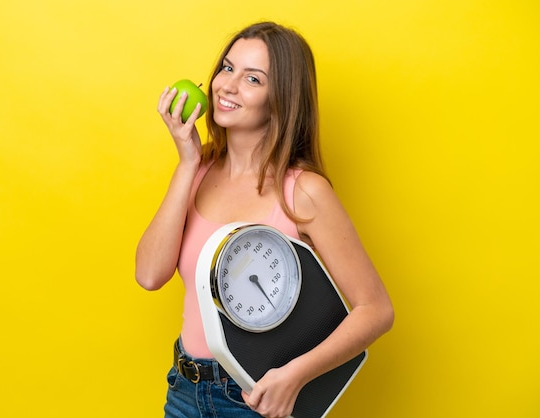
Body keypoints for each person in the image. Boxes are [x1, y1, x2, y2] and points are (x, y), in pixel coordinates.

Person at [135, 21, 394, 418]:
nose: (228, 85)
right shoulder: (200, 166)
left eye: (252, 78)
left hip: (256, 401)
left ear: (280, 99)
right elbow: (150, 275)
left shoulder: (302, 191)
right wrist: (186, 163)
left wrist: (295, 376)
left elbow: (375, 310)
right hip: (184, 391)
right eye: (227, 68)